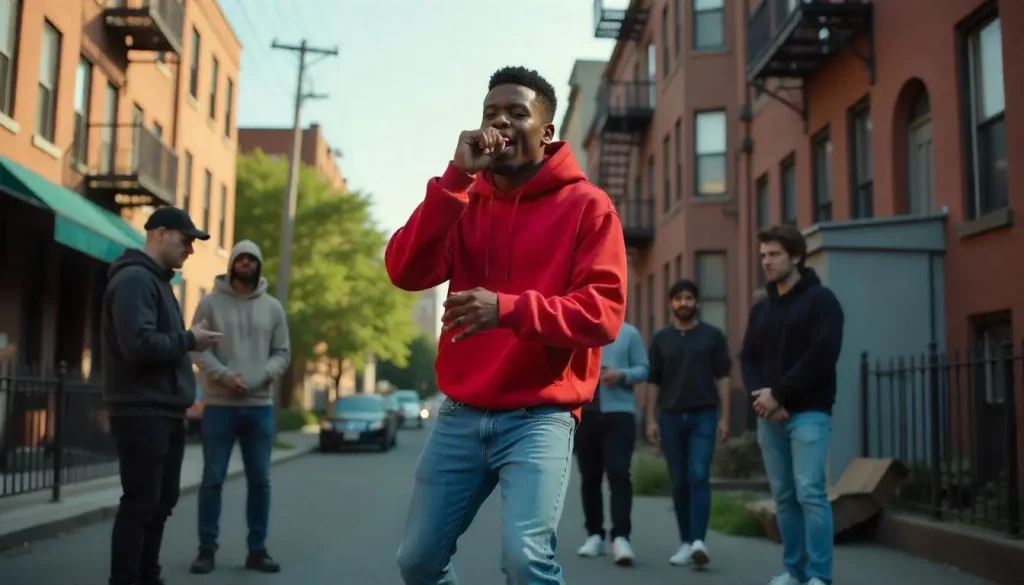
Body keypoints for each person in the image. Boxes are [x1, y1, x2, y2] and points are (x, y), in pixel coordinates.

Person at [385, 65, 628, 584]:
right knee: (418, 561)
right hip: (460, 414)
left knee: (525, 561)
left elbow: (602, 315)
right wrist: (454, 179)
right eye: (490, 112)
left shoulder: (589, 207)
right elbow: (404, 271)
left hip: (540, 417)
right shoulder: (462, 200)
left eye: (517, 112)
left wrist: (509, 308)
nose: (499, 121)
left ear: (546, 132)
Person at [101, 207, 221, 585]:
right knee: (140, 504)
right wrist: (189, 340)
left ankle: (147, 576)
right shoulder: (135, 280)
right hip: (141, 410)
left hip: (164, 410)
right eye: (185, 240)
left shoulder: (159, 282)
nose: (190, 249)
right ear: (159, 234)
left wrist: (186, 341)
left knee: (160, 503)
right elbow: (138, 345)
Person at [740, 225, 844, 585]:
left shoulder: (822, 301)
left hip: (809, 413)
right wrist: (764, 400)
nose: (766, 261)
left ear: (796, 256)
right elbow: (747, 359)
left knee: (810, 492)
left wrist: (779, 395)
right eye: (763, 254)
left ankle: (819, 576)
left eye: (774, 254)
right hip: (769, 415)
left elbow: (822, 356)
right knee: (784, 497)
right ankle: (794, 571)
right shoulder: (761, 310)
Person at [188, 240, 291, 574]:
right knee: (212, 479)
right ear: (231, 263)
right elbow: (196, 347)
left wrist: (262, 376)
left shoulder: (273, 308)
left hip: (259, 406)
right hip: (219, 405)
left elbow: (283, 353)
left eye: (251, 260)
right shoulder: (210, 303)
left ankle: (257, 550)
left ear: (259, 265)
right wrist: (223, 375)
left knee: (260, 480)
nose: (245, 264)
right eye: (240, 259)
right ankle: (206, 549)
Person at [644, 279, 732, 569]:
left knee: (698, 475)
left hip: (704, 414)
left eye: (689, 298)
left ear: (697, 303)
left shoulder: (712, 336)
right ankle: (685, 542)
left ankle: (698, 541)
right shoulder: (661, 339)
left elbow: (724, 378)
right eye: (678, 298)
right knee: (679, 480)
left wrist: (725, 418)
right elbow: (653, 381)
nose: (684, 303)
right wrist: (651, 420)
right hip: (669, 416)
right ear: (671, 304)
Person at [575, 321, 649, 565]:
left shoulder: (628, 333)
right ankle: (594, 534)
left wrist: (622, 375)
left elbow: (644, 369)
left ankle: (621, 537)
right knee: (590, 477)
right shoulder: (579, 330)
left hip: (619, 414)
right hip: (585, 413)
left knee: (619, 473)